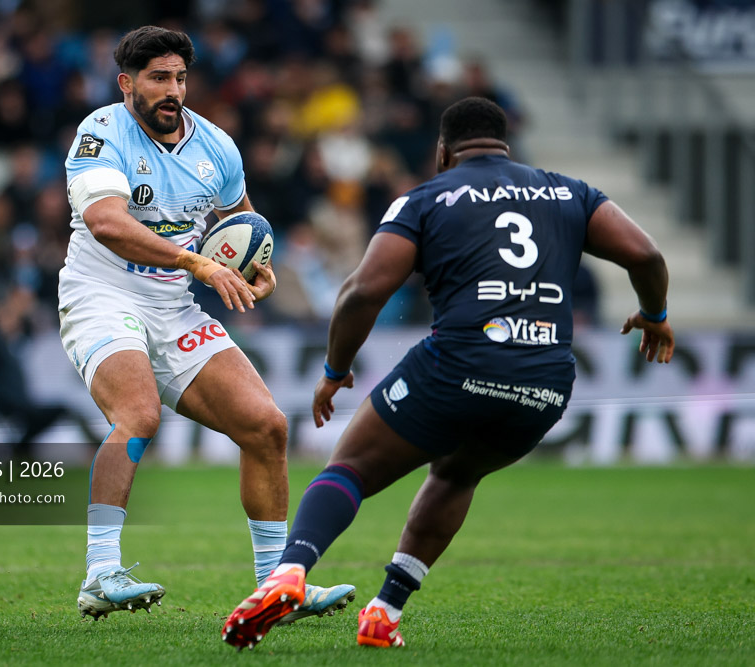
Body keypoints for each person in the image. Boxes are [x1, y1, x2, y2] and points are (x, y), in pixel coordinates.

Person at [222, 97, 675, 649]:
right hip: (545, 380)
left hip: (460, 364)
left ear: (442, 151)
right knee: (457, 475)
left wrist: (336, 369)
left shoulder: (427, 197)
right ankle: (384, 613)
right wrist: (654, 315)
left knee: (350, 469)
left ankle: (288, 574)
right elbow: (647, 256)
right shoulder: (570, 192)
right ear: (504, 144)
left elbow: (363, 291)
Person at [57, 26, 354, 622]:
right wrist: (195, 261)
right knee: (138, 414)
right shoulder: (101, 132)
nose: (173, 91)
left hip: (172, 306)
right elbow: (108, 223)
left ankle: (276, 587)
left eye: (180, 78)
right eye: (159, 78)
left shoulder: (216, 147)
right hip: (101, 293)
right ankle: (100, 572)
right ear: (127, 84)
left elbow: (244, 224)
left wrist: (259, 269)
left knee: (266, 426)